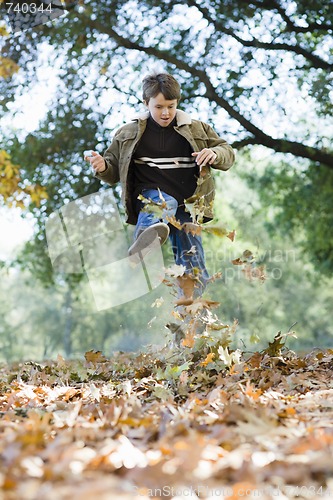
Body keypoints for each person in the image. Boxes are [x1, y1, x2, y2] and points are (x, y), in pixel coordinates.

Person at [86, 72, 235, 302]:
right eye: (159, 107)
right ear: (146, 104)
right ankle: (146, 237)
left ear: (177, 103)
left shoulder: (197, 129)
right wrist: (102, 166)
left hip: (189, 206)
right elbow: (113, 169)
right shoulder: (128, 133)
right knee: (165, 202)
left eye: (171, 106)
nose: (165, 113)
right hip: (152, 195)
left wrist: (214, 153)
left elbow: (228, 153)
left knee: (193, 265)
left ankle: (189, 312)